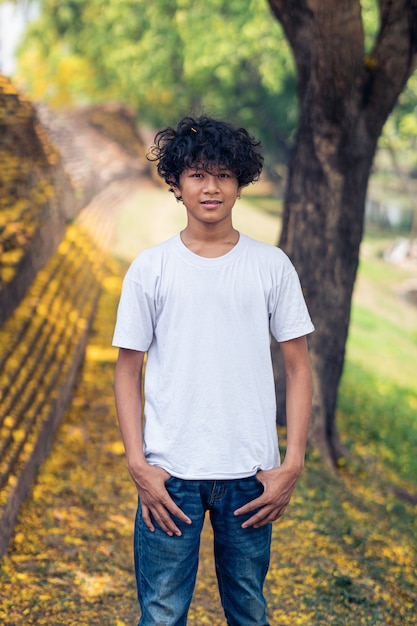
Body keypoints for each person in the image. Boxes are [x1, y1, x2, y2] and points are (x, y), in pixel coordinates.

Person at [112, 115, 314, 626]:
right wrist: (137, 462)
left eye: (223, 175)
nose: (211, 187)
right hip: (170, 475)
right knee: (160, 615)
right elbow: (126, 370)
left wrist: (291, 463)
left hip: (249, 475)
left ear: (241, 182)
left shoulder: (272, 266)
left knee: (248, 610)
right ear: (176, 183)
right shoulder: (151, 268)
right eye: (198, 175)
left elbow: (298, 366)